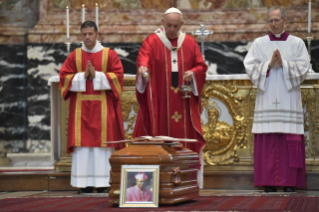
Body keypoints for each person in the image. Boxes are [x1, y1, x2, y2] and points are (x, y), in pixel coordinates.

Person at [133, 7, 208, 171]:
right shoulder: (152, 41)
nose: (172, 30)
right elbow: (143, 58)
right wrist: (143, 69)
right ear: (162, 23)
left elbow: (200, 66)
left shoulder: (189, 42)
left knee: (184, 138)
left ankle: (186, 175)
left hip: (183, 100)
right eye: (169, 25)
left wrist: (193, 73)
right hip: (160, 101)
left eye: (175, 26)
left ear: (182, 24)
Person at [243, 6, 309, 193]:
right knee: (268, 141)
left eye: (277, 20)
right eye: (270, 20)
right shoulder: (259, 43)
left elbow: (303, 68)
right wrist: (269, 64)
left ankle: (290, 182)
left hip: (289, 100)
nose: (274, 23)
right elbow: (249, 66)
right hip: (267, 99)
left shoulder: (297, 44)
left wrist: (284, 65)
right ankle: (268, 182)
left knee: (290, 139)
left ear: (285, 20)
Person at [59, 21, 125, 194]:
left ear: (97, 34)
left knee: (101, 147)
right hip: (81, 108)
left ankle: (103, 183)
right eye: (84, 34)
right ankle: (84, 184)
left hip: (103, 108)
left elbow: (118, 77)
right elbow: (64, 77)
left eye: (90, 34)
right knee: (83, 147)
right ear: (81, 35)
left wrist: (98, 75)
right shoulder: (75, 56)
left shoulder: (109, 54)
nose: (87, 37)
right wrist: (82, 76)